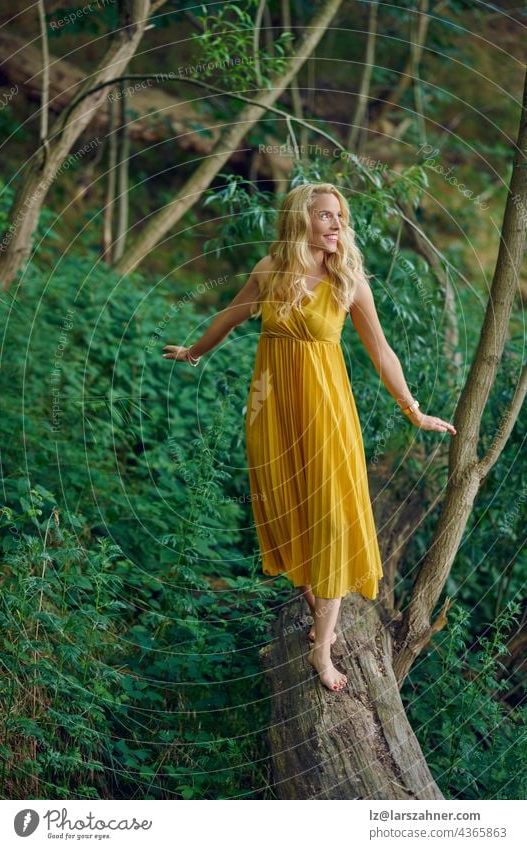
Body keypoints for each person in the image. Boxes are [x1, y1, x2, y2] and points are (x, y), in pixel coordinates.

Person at [163, 181, 457, 693]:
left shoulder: (349, 282)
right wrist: (194, 351)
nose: (337, 224)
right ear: (302, 219)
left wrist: (413, 410)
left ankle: (323, 650)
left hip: (326, 412)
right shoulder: (268, 273)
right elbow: (230, 318)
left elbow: (383, 354)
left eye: (340, 216)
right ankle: (311, 594)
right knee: (284, 503)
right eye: (326, 215)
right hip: (273, 411)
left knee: (332, 513)